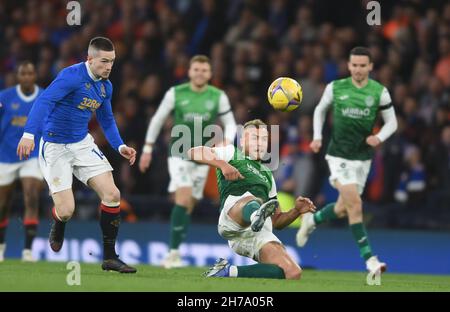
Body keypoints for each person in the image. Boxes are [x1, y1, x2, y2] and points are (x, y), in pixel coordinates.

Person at [16, 37, 137, 273]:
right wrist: (29, 134)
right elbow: (44, 101)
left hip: (81, 143)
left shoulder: (105, 86)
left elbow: (106, 119)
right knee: (66, 210)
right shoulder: (70, 76)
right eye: (104, 61)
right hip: (54, 146)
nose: (109, 67)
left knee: (112, 194)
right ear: (89, 59)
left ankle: (110, 257)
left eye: (112, 61)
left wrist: (119, 145)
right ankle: (59, 221)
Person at [296, 46, 398, 274]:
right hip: (338, 155)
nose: (358, 69)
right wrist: (318, 137)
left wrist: (378, 137)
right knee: (356, 205)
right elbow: (320, 110)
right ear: (349, 65)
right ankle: (370, 260)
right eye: (355, 65)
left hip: (362, 158)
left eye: (363, 65)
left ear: (370, 66)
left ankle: (312, 221)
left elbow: (393, 122)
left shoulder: (379, 91)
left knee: (343, 208)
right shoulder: (336, 87)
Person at [139, 55, 237, 269]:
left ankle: (176, 248)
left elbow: (231, 124)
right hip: (179, 153)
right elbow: (157, 119)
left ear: (210, 74)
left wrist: (227, 142)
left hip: (204, 158)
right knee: (183, 197)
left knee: (189, 205)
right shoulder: (175, 93)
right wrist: (147, 149)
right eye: (196, 69)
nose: (200, 73)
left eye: (204, 70)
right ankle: (172, 254)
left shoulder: (217, 96)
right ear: (189, 71)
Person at [188, 119, 316, 279]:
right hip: (234, 220)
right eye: (254, 138)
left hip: (258, 232)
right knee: (253, 200)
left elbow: (276, 221)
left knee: (293, 272)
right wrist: (223, 165)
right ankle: (255, 213)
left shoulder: (268, 175)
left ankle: (227, 271)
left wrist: (296, 211)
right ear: (242, 140)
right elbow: (193, 151)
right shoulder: (230, 152)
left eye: (263, 139)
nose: (260, 143)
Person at [0, 61, 44, 262]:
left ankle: (27, 251)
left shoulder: (44, 97)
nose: (26, 76)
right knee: (3, 204)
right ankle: (1, 246)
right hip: (6, 155)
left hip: (32, 155)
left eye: (30, 73)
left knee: (32, 195)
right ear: (18, 76)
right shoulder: (5, 97)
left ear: (35, 75)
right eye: (23, 73)